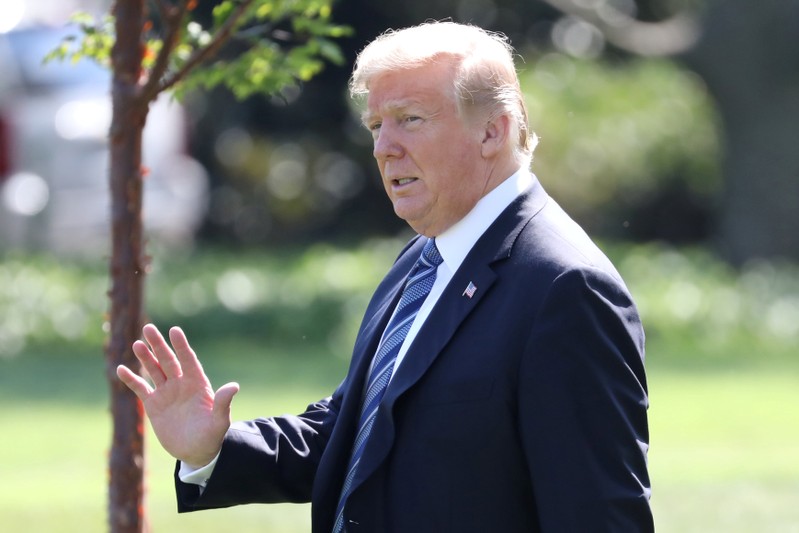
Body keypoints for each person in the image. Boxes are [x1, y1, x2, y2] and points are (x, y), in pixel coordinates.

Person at [117, 21, 653, 532]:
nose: (383, 147)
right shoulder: (426, 256)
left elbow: (600, 516)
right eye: (377, 125)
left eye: (411, 119)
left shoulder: (566, 288)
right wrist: (213, 449)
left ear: (494, 130)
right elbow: (358, 431)